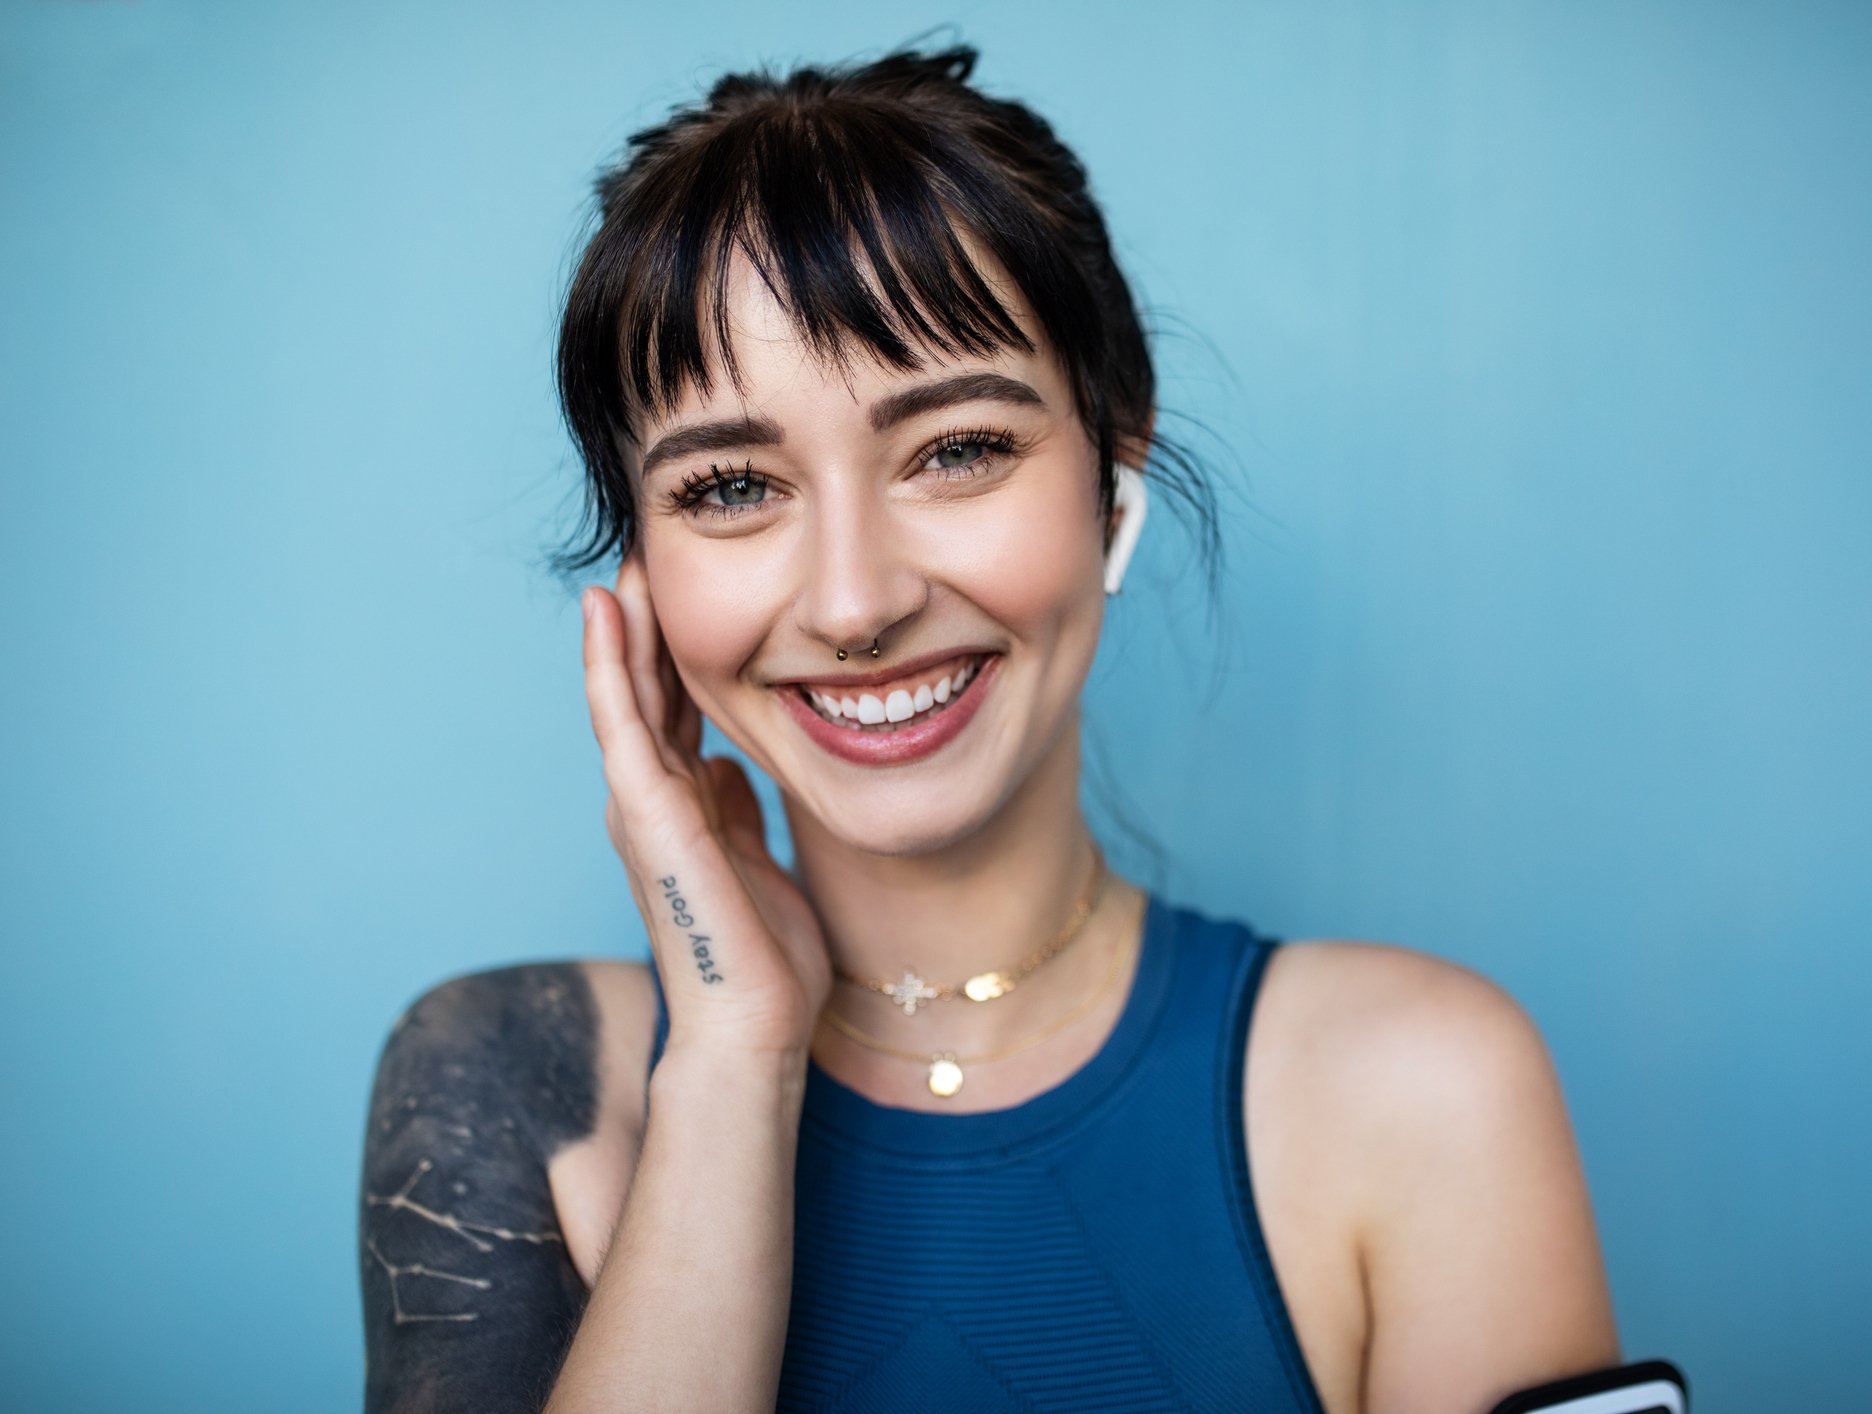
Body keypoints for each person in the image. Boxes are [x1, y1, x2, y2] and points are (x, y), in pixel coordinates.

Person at [358, 41, 1622, 1414]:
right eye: (729, 484)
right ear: (643, 574)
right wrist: (732, 1057)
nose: (855, 601)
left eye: (954, 449)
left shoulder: (1427, 1089)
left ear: (1111, 476)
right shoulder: (517, 1078)